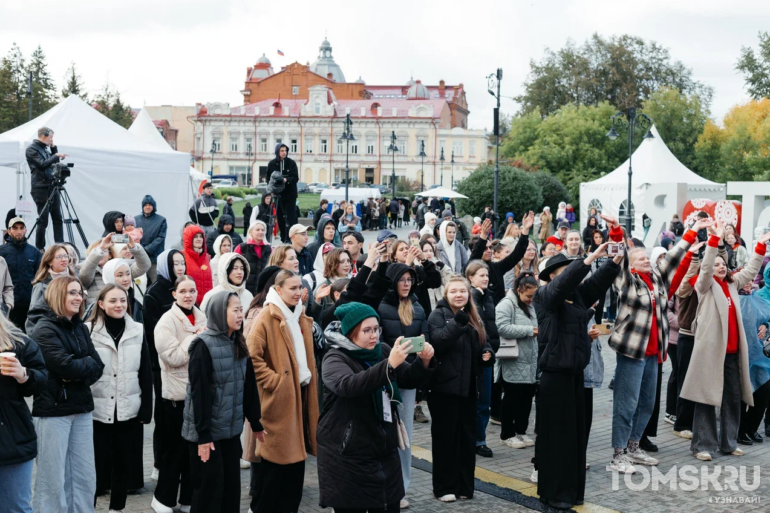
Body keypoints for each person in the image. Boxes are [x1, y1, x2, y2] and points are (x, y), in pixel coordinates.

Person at [604, 214, 711, 474]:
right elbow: (616, 260)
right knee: (626, 404)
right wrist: (617, 233)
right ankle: (618, 454)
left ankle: (634, 446)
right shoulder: (626, 281)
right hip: (632, 352)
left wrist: (692, 231)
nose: (645, 260)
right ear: (631, 264)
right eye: (640, 258)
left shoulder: (657, 279)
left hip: (654, 352)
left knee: (647, 404)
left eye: (646, 257)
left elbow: (674, 257)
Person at [318, 302, 435, 513]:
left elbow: (407, 378)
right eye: (367, 330)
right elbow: (349, 386)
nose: (374, 335)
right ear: (351, 332)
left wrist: (424, 362)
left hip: (383, 447)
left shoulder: (382, 351)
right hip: (348, 452)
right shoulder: (334, 357)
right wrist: (389, 365)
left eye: (376, 329)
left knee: (390, 505)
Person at [534, 245, 620, 510]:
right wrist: (588, 258)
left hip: (574, 375)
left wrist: (615, 260)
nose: (573, 276)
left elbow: (597, 282)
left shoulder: (578, 296)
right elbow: (562, 285)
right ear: (552, 276)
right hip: (553, 376)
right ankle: (554, 493)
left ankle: (572, 492)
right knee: (556, 438)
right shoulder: (545, 295)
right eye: (564, 271)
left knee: (574, 438)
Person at [682, 225, 770, 461]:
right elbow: (707, 266)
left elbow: (751, 270)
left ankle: (728, 443)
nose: (721, 267)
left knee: (732, 399)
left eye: (724, 264)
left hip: (732, 353)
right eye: (717, 264)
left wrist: (761, 245)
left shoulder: (732, 284)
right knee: (706, 399)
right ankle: (702, 445)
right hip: (710, 353)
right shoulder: (705, 286)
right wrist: (713, 240)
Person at [181, 291, 264, 513]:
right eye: (235, 310)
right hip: (206, 435)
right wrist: (204, 435)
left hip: (229, 432)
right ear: (219, 312)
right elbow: (199, 394)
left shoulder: (238, 340)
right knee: (208, 492)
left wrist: (255, 422)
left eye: (240, 310)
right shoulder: (203, 345)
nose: (240, 315)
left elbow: (248, 386)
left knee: (230, 492)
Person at [29, 276, 104, 513]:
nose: (78, 297)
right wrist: (80, 367)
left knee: (83, 476)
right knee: (52, 479)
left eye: (80, 293)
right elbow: (65, 367)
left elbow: (98, 366)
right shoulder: (43, 329)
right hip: (53, 411)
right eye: (72, 293)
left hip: (81, 408)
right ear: (57, 295)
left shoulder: (80, 327)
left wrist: (77, 370)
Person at [248, 270, 319, 513]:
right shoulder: (267, 316)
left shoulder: (298, 314)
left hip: (299, 397)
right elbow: (252, 356)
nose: (298, 291)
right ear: (278, 290)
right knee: (273, 476)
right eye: (292, 287)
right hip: (280, 402)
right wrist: (276, 382)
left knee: (294, 475)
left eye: (299, 287)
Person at [427, 275, 492, 502]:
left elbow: (485, 342)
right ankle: (444, 487)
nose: (458, 295)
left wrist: (488, 355)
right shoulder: (438, 315)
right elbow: (437, 343)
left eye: (462, 291)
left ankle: (465, 487)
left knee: (466, 440)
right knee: (446, 441)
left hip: (469, 389)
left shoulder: (474, 315)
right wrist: (458, 323)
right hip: (444, 390)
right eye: (454, 291)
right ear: (446, 294)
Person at [88, 284, 152, 512]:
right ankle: (90, 506)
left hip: (128, 409)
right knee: (96, 464)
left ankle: (118, 508)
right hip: (98, 408)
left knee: (123, 464)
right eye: (113, 301)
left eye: (123, 301)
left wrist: (146, 409)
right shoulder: (89, 330)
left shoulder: (138, 330)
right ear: (101, 304)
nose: (119, 305)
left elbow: (146, 371)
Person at [376, 263, 430, 507]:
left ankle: (402, 488)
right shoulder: (380, 305)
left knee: (404, 436)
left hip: (407, 381)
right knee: (382, 433)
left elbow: (425, 342)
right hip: (383, 378)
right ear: (392, 281)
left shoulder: (418, 308)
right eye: (402, 279)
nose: (407, 283)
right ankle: (383, 485)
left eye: (410, 279)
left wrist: (421, 349)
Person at [152, 275, 206, 513]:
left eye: (192, 290)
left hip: (199, 393)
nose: (188, 295)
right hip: (175, 396)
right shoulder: (166, 321)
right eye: (183, 291)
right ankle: (162, 499)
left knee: (192, 453)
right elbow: (172, 357)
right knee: (174, 451)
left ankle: (187, 499)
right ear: (174, 294)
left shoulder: (202, 315)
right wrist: (196, 337)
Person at [143, 249, 186, 479]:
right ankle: (160, 463)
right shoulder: (154, 294)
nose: (180, 267)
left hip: (185, 363)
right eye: (175, 263)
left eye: (182, 263)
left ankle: (180, 463)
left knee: (182, 415)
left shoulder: (184, 290)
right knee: (164, 416)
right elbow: (152, 335)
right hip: (161, 365)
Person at [0, 310, 47, 513]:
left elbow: (42, 380)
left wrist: (23, 374)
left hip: (12, 438)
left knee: (16, 507)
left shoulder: (16, 342)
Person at [495, 272, 539, 450]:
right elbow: (501, 327)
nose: (531, 299)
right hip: (513, 359)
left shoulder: (530, 305)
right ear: (519, 290)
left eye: (533, 296)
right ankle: (507, 434)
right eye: (529, 296)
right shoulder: (506, 304)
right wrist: (529, 330)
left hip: (530, 360)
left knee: (527, 398)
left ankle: (521, 431)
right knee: (512, 399)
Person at [467, 261, 500, 458]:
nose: (485, 278)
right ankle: (475, 439)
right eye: (481, 275)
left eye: (486, 275)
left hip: (488, 355)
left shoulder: (489, 296)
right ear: (471, 278)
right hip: (473, 357)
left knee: (485, 401)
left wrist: (489, 349)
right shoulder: (471, 297)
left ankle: (480, 439)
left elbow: (489, 327)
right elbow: (475, 325)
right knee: (476, 401)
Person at [470, 214, 535, 305]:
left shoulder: (497, 267)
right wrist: (483, 235)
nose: (489, 251)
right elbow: (475, 257)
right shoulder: (470, 268)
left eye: (490, 248)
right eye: (485, 248)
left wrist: (525, 230)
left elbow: (516, 255)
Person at [79, 235, 151, 311]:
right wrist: (100, 249)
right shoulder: (88, 271)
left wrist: (134, 248)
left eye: (104, 251)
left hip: (121, 310)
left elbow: (144, 265)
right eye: (97, 251)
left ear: (110, 254)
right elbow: (84, 277)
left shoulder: (121, 268)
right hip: (97, 314)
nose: (100, 254)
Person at [26, 126, 66, 249]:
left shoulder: (45, 149)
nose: (51, 140)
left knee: (58, 218)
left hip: (52, 186)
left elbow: (54, 162)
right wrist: (56, 155)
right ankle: (40, 249)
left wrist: (54, 149)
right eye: (51, 137)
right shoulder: (32, 149)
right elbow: (42, 164)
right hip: (40, 187)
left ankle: (59, 246)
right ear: (45, 135)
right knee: (43, 220)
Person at [0, 217, 41, 331]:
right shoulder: (1, 252)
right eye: (15, 228)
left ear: (25, 230)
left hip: (29, 306)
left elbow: (40, 278)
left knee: (28, 337)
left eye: (21, 228)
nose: (19, 231)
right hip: (6, 306)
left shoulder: (35, 252)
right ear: (9, 231)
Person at [28, 244, 76, 315]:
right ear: (49, 261)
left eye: (66, 256)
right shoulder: (41, 285)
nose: (64, 260)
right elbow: (33, 314)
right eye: (59, 257)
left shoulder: (75, 280)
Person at [268, 144, 299, 242]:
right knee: (280, 218)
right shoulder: (272, 164)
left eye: (285, 150)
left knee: (291, 218)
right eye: (281, 150)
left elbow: (295, 178)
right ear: (278, 152)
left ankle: (290, 237)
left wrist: (286, 180)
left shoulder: (291, 163)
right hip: (278, 195)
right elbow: (268, 178)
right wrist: (271, 191)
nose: (284, 152)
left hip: (290, 195)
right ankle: (283, 237)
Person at [136, 195, 167, 283]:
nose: (147, 207)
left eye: (150, 205)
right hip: (139, 258)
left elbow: (160, 238)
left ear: (154, 206)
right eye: (145, 205)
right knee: (140, 283)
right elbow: (133, 237)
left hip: (154, 258)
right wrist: (140, 250)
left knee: (155, 282)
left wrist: (146, 249)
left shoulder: (161, 220)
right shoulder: (136, 219)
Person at [236, 221, 272, 295]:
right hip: (245, 287)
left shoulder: (269, 248)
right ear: (251, 231)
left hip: (264, 287)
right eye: (257, 230)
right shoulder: (242, 247)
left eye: (263, 230)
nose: (261, 232)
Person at [181, 225, 214, 305]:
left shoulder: (207, 257)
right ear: (189, 238)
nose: (199, 239)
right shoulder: (182, 256)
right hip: (188, 303)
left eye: (201, 236)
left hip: (206, 303)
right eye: (195, 237)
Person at [419, 239, 451, 314]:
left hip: (439, 300)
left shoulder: (437, 263)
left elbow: (448, 282)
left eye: (431, 250)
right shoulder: (417, 266)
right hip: (425, 303)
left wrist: (443, 267)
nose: (429, 253)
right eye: (425, 251)